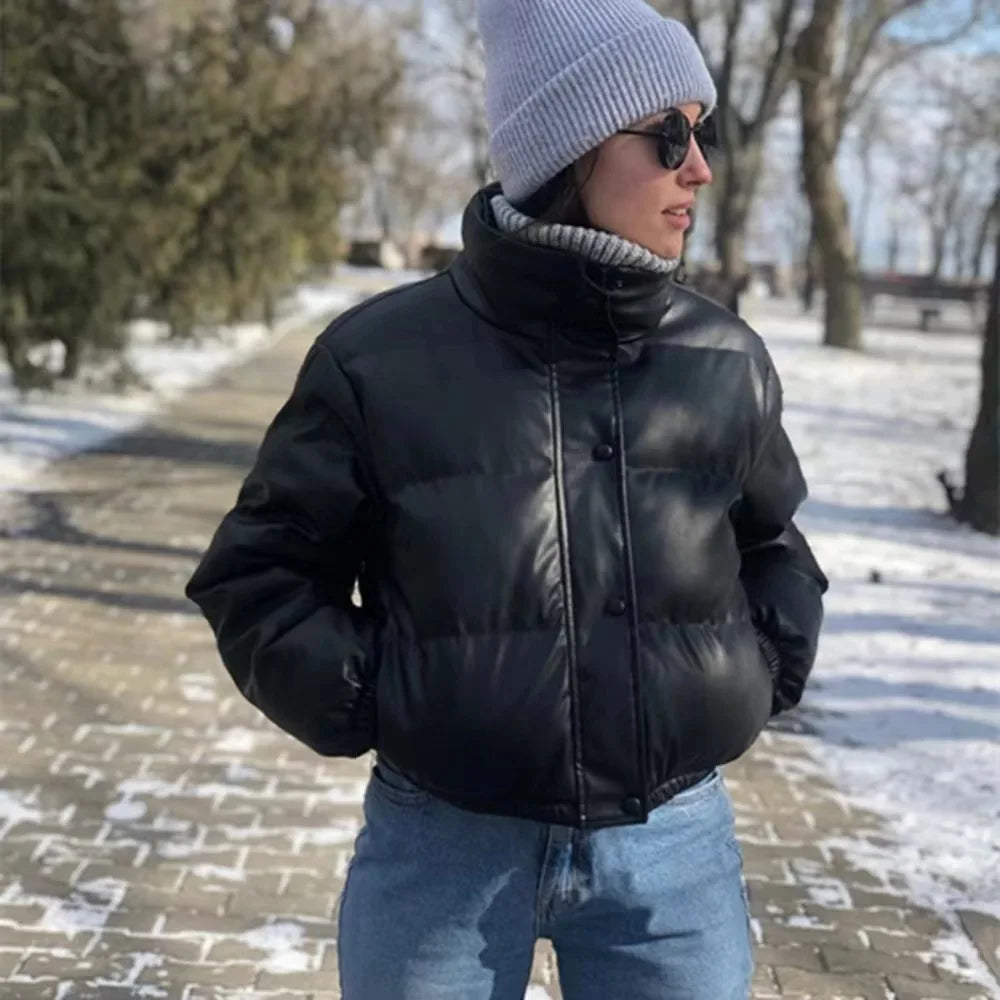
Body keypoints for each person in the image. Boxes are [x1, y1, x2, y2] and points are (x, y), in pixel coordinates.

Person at [185, 0, 829, 996]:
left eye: (706, 133)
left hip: (674, 850)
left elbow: (774, 548)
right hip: (442, 851)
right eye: (668, 134)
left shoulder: (724, 361)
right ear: (570, 147)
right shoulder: (379, 359)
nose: (698, 168)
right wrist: (383, 699)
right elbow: (257, 576)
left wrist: (751, 677)